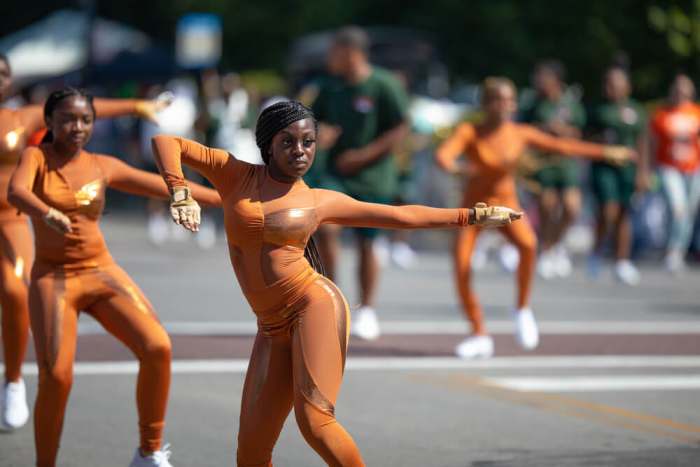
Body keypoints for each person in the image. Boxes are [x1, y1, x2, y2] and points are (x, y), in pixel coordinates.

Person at [151, 100, 520, 467]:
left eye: (308, 142)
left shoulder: (318, 200)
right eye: (288, 142)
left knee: (315, 421)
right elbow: (168, 142)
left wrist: (473, 215)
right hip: (270, 325)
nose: (299, 151)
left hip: (314, 305)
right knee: (251, 447)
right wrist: (179, 189)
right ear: (267, 145)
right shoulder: (236, 175)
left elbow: (399, 215)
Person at [7, 88, 221, 467]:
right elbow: (17, 191)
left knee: (157, 346)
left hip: (101, 271)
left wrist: (222, 199)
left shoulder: (102, 164)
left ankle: (149, 451)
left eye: (86, 120)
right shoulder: (35, 156)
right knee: (56, 377)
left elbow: (155, 184)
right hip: (54, 279)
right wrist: (44, 212)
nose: (78, 127)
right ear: (50, 122)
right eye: (68, 119)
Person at [0, 53, 171, 432]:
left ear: (10, 81)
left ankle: (12, 381)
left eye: (2, 74)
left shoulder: (21, 117)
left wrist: (139, 106)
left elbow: (84, 108)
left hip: (9, 219)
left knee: (14, 289)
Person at [435, 77, 634, 359]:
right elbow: (443, 156)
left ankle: (522, 309)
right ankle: (479, 333)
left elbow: (562, 147)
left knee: (528, 246)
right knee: (462, 266)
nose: (505, 106)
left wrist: (605, 152)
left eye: (510, 100)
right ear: (486, 104)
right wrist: (457, 169)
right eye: (498, 100)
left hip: (506, 207)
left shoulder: (520, 132)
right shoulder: (470, 131)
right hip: (475, 210)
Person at [310, 26, 409, 340]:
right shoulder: (330, 86)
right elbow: (315, 120)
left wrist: (366, 154)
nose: (329, 58)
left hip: (373, 176)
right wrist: (318, 133)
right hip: (336, 173)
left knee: (368, 243)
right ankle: (331, 299)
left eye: (334, 52)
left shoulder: (383, 84)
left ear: (352, 52)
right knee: (325, 226)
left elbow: (400, 127)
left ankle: (367, 308)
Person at [521, 60, 587, 279]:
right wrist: (542, 130)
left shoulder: (569, 103)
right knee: (547, 207)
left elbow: (579, 131)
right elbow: (522, 130)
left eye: (544, 78)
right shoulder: (532, 104)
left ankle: (555, 244)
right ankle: (546, 250)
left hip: (566, 162)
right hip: (542, 163)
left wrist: (562, 131)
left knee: (571, 207)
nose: (539, 82)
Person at [587, 66, 649, 285]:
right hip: (604, 166)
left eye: (616, 83)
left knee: (624, 213)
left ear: (627, 86)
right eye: (608, 84)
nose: (611, 88)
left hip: (627, 169)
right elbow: (586, 137)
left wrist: (643, 172)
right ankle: (596, 251)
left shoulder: (635, 111)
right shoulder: (597, 109)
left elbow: (642, 142)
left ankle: (622, 261)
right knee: (607, 211)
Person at [650, 73, 700, 272]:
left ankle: (678, 251)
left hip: (693, 168)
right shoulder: (662, 113)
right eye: (678, 87)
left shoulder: (696, 113)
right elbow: (651, 143)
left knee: (688, 211)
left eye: (685, 87)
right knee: (677, 208)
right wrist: (648, 169)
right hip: (668, 167)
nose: (681, 91)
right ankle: (670, 250)